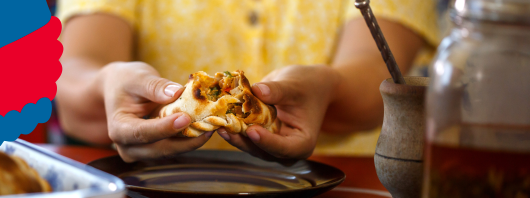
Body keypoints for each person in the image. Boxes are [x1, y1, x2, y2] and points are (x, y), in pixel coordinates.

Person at [55, 0, 439, 162]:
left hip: (337, 184)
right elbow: (75, 75)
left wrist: (330, 85)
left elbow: (378, 75)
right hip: (151, 186)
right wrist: (107, 83)